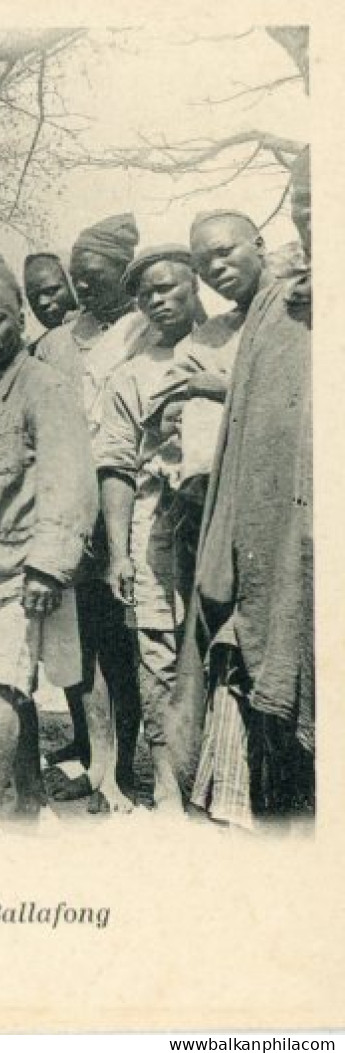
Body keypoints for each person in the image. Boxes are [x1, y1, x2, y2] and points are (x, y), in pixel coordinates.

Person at [179, 197, 313, 827]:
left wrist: (215, 386)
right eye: (203, 262)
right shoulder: (259, 310)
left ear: (259, 242)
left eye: (226, 251)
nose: (215, 267)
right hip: (245, 522)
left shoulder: (294, 299)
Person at [93, 245, 237, 813]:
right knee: (156, 651)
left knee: (225, 645)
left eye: (167, 286)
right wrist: (119, 553)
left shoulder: (233, 346)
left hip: (224, 524)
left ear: (195, 283)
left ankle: (229, 786)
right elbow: (116, 465)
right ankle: (170, 788)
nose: (157, 299)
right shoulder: (130, 375)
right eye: (145, 293)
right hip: (156, 529)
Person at [0, 278, 96, 820]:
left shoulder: (43, 385)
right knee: (10, 686)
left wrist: (48, 568)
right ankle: (27, 803)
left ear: (21, 320)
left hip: (28, 566)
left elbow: (70, 478)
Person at [30, 212, 149, 809]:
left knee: (120, 641)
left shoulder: (142, 329)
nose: (84, 286)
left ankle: (122, 764)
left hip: (125, 500)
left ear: (126, 273)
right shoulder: (54, 342)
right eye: (77, 276)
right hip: (69, 503)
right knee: (78, 640)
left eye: (96, 275)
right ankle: (92, 749)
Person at [23, 252, 78, 344]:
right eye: (33, 297)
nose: (42, 302)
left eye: (51, 291)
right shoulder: (35, 354)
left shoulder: (106, 335)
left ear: (72, 284)